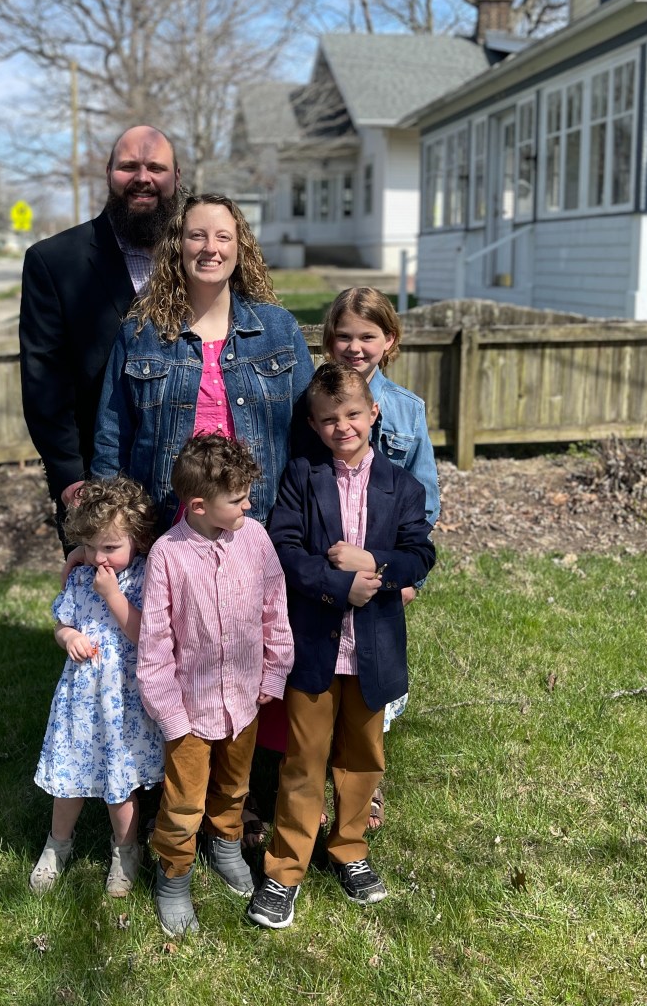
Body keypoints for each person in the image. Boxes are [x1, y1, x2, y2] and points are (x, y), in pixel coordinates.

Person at [246, 363, 436, 930]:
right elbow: (284, 549)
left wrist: (373, 562)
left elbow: (420, 555)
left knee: (361, 758)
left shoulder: (403, 487)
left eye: (353, 414)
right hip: (314, 647)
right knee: (303, 760)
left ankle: (349, 849)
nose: (342, 427)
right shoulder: (302, 478)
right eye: (329, 419)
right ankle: (284, 869)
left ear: (373, 413)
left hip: (374, 648)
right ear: (313, 423)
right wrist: (338, 584)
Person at [136, 434, 295, 935]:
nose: (248, 505)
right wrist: (170, 713)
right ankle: (174, 875)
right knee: (184, 800)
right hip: (188, 711)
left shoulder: (256, 539)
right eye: (239, 499)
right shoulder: (167, 555)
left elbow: (275, 608)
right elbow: (155, 642)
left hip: (244, 702)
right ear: (199, 505)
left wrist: (273, 671)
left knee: (234, 786)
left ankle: (225, 846)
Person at [91, 193, 314, 529]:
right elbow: (112, 442)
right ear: (178, 246)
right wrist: (105, 530)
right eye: (197, 235)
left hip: (263, 530)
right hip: (165, 532)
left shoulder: (278, 329)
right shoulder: (141, 334)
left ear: (240, 248)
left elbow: (309, 436)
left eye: (223, 236)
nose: (211, 248)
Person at [19, 125, 181, 545]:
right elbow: (43, 380)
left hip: (194, 486)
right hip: (100, 488)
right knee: (103, 589)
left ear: (176, 177)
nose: (142, 177)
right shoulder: (55, 263)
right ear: (109, 174)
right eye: (128, 166)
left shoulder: (203, 254)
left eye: (156, 167)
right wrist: (71, 480)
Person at [323, 285, 441, 827]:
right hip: (323, 566)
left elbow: (425, 501)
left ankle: (363, 785)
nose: (355, 347)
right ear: (328, 340)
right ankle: (307, 776)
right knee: (319, 676)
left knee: (371, 676)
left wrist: (400, 575)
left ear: (389, 340)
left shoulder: (407, 412)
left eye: (367, 336)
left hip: (379, 568)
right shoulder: (313, 402)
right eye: (343, 336)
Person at [29, 476, 163, 898]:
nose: (98, 557)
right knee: (69, 779)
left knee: (119, 785)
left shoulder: (145, 577)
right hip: (81, 701)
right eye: (90, 546)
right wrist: (68, 636)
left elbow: (144, 634)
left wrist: (112, 595)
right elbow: (62, 622)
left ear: (138, 539)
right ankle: (57, 844)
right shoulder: (80, 577)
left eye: (110, 547)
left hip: (123, 704)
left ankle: (125, 851)